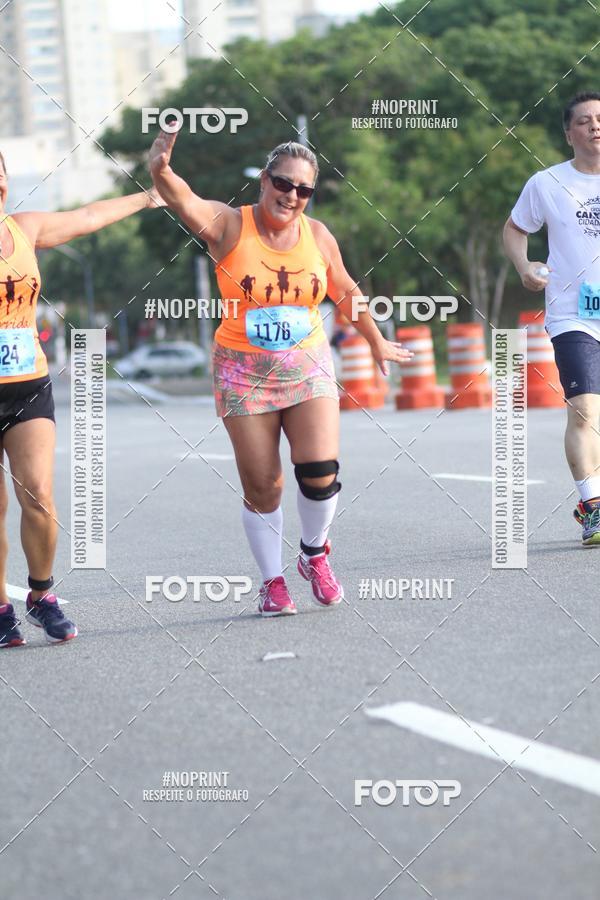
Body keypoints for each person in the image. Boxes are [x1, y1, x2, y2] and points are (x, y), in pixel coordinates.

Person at [149, 131, 412, 616]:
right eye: (283, 183)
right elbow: (182, 199)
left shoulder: (317, 235)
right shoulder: (230, 225)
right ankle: (272, 582)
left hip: (307, 366)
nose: (291, 196)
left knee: (320, 471)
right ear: (264, 182)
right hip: (241, 372)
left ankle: (314, 554)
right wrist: (161, 170)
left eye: (303, 190)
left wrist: (376, 341)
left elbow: (345, 288)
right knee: (264, 485)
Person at [0, 152, 164, 647]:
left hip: (27, 384)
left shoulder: (24, 230)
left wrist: (148, 195)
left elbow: (88, 217)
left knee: (38, 495)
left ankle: (41, 595)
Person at [504, 91, 600, 547]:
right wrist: (525, 268)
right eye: (584, 121)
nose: (595, 126)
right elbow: (516, 228)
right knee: (585, 412)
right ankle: (593, 508)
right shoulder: (547, 183)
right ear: (569, 134)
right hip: (574, 316)